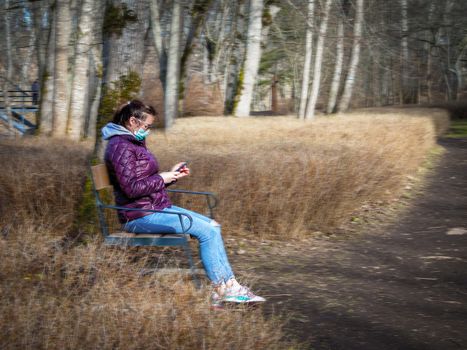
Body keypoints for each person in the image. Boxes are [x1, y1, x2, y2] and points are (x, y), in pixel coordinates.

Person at [101, 99, 265, 305]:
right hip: (138, 215)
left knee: (213, 226)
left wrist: (172, 176)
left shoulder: (131, 142)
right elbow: (131, 188)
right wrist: (162, 178)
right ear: (133, 122)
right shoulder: (121, 147)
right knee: (206, 232)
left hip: (155, 207)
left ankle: (228, 287)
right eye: (147, 126)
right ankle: (225, 289)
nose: (148, 131)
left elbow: (144, 182)